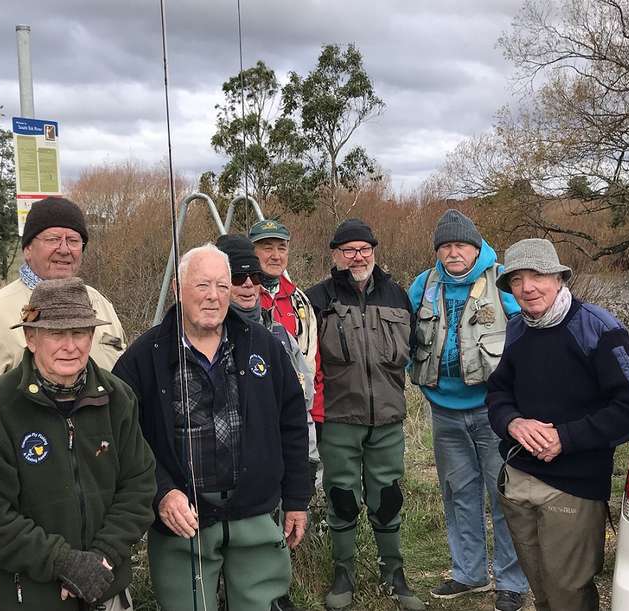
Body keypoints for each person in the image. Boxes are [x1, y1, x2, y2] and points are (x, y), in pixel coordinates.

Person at [112, 244, 312, 611]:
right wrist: (161, 492)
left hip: (254, 512)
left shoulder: (262, 345)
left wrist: (297, 498)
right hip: (182, 523)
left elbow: (293, 423)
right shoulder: (142, 358)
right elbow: (123, 441)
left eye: (223, 286)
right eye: (203, 285)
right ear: (177, 288)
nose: (213, 297)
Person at [0, 277, 156, 610]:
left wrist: (102, 557)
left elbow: (139, 485)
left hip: (106, 590)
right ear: (31, 338)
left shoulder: (118, 398)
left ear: (92, 336)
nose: (70, 346)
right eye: (56, 334)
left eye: (79, 333)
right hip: (28, 596)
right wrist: (64, 563)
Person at [488, 238, 629, 611]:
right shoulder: (517, 329)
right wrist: (513, 423)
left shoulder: (599, 328)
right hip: (518, 478)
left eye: (537, 275)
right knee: (542, 588)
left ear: (559, 278)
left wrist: (566, 437)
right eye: (516, 279)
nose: (527, 287)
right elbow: (497, 393)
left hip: (575, 486)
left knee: (569, 593)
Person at [407, 209, 528, 611]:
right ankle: (469, 573)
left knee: (505, 495)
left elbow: (530, 335)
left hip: (495, 412)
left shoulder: (504, 280)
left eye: (460, 245)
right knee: (459, 494)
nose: (452, 252)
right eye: (444, 246)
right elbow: (405, 335)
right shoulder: (423, 285)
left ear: (476, 247)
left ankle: (511, 580)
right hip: (443, 411)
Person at [306, 219, 424, 611]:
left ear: (374, 251)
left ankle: (394, 573)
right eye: (349, 250)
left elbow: (419, 351)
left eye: (364, 249)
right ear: (335, 255)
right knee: (341, 498)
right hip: (339, 419)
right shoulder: (316, 300)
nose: (358, 257)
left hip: (389, 419)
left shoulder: (397, 296)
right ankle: (344, 573)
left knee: (388, 498)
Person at [0, 196, 126, 442]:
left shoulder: (101, 306)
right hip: (25, 468)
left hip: (100, 465)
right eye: (53, 239)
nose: (64, 249)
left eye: (73, 240)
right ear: (27, 249)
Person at [217, 233, 317, 611]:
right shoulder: (185, 337)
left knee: (264, 573)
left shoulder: (278, 334)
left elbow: (298, 411)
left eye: (255, 278)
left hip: (267, 486)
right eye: (237, 277)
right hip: (209, 495)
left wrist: (303, 480)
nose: (247, 286)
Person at [249, 220, 318, 412]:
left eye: (282, 248)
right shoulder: (242, 298)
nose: (276, 256)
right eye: (267, 248)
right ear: (252, 251)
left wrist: (316, 416)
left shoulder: (300, 301)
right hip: (256, 410)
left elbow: (314, 364)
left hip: (297, 411)